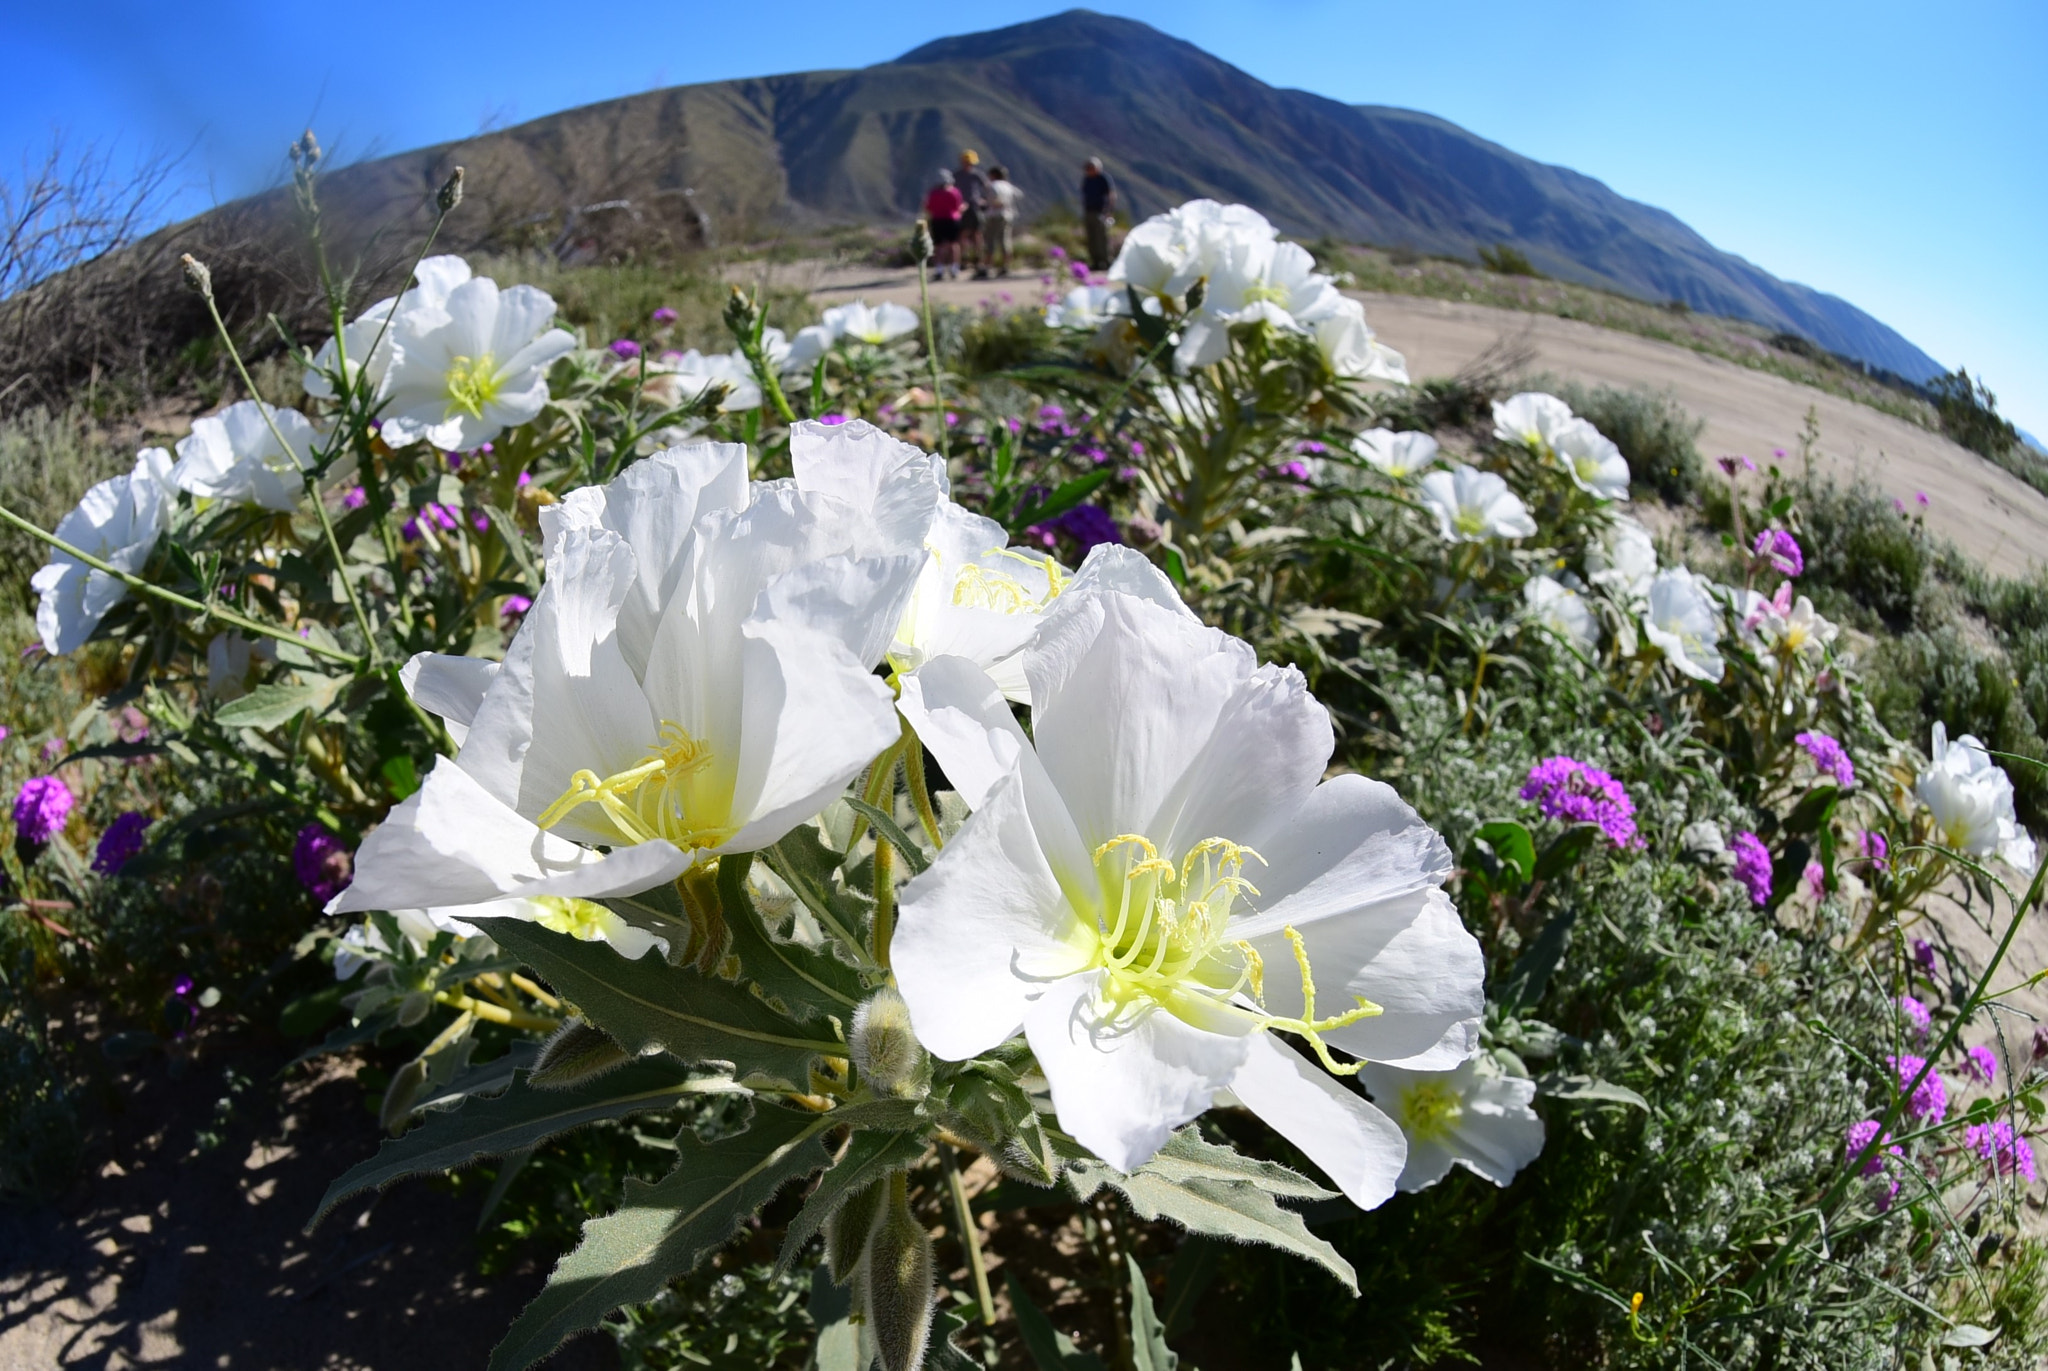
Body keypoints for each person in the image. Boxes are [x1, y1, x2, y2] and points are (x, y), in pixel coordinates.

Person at [956, 150, 991, 279]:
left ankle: (978, 259)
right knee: (963, 234)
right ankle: (963, 260)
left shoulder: (977, 175)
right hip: (962, 208)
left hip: (975, 207)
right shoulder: (957, 175)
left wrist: (984, 201)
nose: (968, 165)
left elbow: (987, 188)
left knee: (977, 234)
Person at [924, 169, 964, 279]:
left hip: (937, 220)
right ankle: (954, 268)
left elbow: (927, 207)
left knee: (938, 246)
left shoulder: (933, 193)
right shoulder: (955, 192)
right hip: (953, 220)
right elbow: (959, 207)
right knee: (954, 244)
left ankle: (939, 269)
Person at [1081, 157, 1117, 272]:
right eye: (1087, 168)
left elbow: (1111, 195)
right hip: (1089, 211)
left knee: (1102, 238)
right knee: (1091, 238)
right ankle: (1095, 262)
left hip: (1101, 212)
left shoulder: (1103, 179)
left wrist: (1109, 211)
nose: (1089, 170)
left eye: (1091, 168)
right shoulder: (1087, 179)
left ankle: (1106, 261)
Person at [986, 165, 1023, 276]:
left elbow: (992, 199)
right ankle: (1005, 266)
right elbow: (1019, 195)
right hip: (1008, 214)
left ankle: (988, 266)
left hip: (994, 215)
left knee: (990, 240)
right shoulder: (1008, 186)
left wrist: (995, 203)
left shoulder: (993, 186)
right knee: (1005, 240)